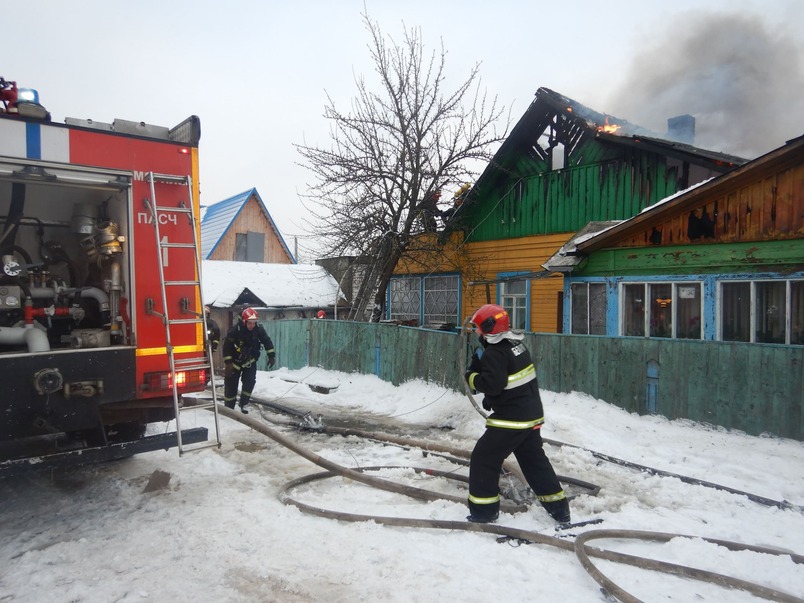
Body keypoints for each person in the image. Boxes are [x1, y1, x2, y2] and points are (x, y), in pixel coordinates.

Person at [463, 304, 570, 524]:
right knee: (534, 462)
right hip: (529, 415)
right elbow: (510, 382)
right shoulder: (515, 345)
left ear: (489, 327)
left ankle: (483, 513)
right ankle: (560, 510)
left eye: (478, 327)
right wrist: (494, 397)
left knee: (484, 459)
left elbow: (491, 384)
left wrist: (472, 375)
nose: (475, 331)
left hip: (512, 419)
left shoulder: (495, 353)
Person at [222, 307, 276, 414]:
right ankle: (229, 408)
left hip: (249, 362)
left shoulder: (259, 329)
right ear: (244, 321)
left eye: (254, 323)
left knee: (250, 382)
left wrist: (271, 356)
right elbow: (226, 347)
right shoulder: (235, 331)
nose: (252, 325)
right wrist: (228, 363)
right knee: (231, 385)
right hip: (235, 363)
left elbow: (267, 341)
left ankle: (244, 403)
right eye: (250, 323)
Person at [204, 306, 221, 386]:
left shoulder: (212, 323)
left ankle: (207, 377)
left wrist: (214, 346)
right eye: (204, 313)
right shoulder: (197, 321)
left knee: (207, 363)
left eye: (206, 313)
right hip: (198, 348)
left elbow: (217, 336)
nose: (205, 315)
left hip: (208, 348)